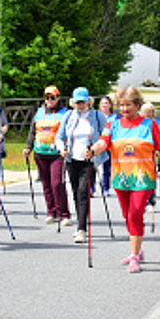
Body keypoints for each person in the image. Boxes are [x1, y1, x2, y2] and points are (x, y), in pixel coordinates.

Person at [85, 86, 160, 273]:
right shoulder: (112, 125)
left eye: (128, 105)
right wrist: (93, 150)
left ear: (137, 105)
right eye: (121, 105)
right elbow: (103, 142)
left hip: (143, 179)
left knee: (135, 214)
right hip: (121, 179)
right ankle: (137, 250)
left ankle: (134, 256)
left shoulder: (149, 125)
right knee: (127, 216)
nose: (124, 109)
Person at [56, 87, 108, 243]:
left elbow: (106, 136)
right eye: (78, 102)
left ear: (88, 100)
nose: (80, 105)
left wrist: (94, 149)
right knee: (75, 193)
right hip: (72, 159)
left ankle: (81, 229)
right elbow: (59, 137)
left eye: (83, 101)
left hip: (89, 160)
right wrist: (61, 149)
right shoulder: (68, 116)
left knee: (83, 193)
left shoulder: (97, 116)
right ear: (73, 102)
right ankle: (80, 222)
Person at [23, 85, 70, 225]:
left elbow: (68, 132)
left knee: (57, 183)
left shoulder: (65, 113)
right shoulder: (39, 112)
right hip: (40, 153)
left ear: (58, 97)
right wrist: (28, 148)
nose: (49, 100)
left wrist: (67, 148)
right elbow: (32, 131)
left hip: (57, 154)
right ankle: (51, 212)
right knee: (46, 184)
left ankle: (64, 214)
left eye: (52, 97)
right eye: (47, 97)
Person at [140, 102, 160, 213]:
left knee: (151, 177)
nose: (147, 114)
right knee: (141, 177)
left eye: (149, 111)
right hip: (141, 154)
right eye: (145, 111)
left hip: (154, 154)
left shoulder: (158, 123)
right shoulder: (138, 123)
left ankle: (151, 200)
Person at [98, 96, 119, 196]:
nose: (104, 105)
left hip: (109, 146)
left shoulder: (115, 117)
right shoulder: (97, 116)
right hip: (97, 144)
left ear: (110, 105)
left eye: (106, 103)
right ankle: (91, 189)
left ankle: (105, 188)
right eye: (102, 103)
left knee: (107, 169)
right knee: (93, 169)